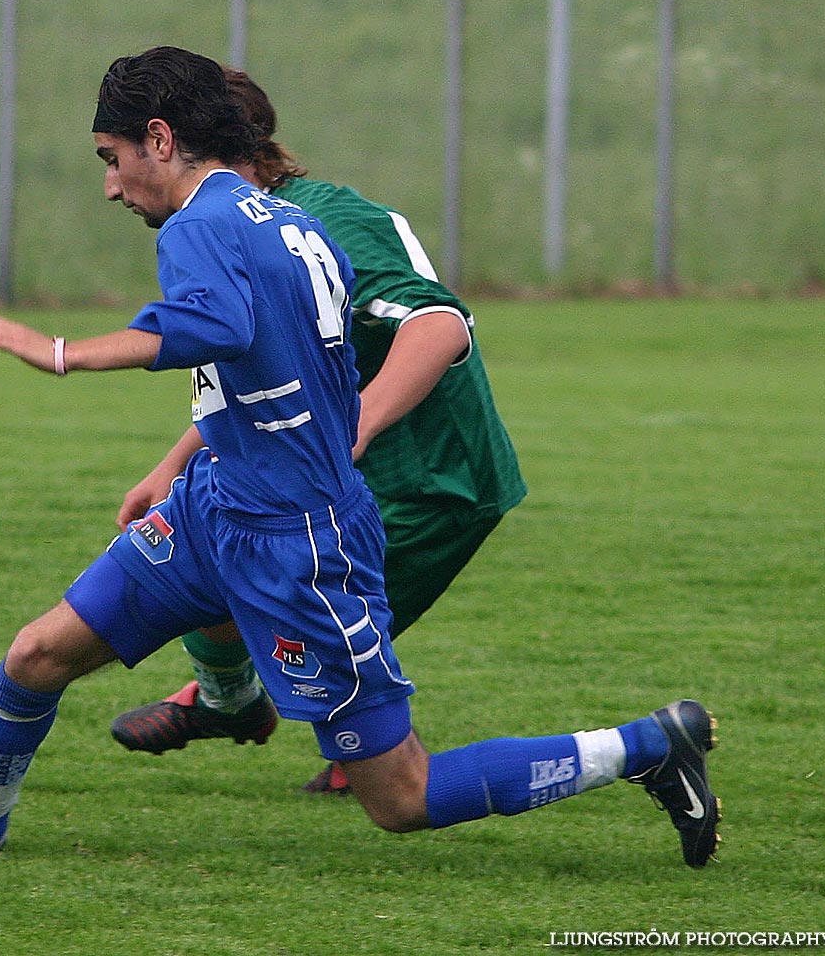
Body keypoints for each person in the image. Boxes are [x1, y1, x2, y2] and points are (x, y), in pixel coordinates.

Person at [0, 46, 721, 868]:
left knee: (400, 797)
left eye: (112, 158)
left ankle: (649, 746)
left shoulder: (196, 228)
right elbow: (276, 362)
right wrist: (182, 458)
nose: (110, 186)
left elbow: (219, 330)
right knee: (39, 653)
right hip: (216, 506)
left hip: (299, 546)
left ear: (162, 139)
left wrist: (60, 350)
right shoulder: (295, 224)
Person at [109, 68, 526, 797]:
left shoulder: (322, 222)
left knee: (256, 587)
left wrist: (355, 426)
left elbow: (437, 325)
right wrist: (171, 464)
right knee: (214, 539)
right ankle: (261, 713)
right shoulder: (243, 226)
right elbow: (262, 378)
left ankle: (257, 715)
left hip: (432, 476)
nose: (122, 185)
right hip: (344, 470)